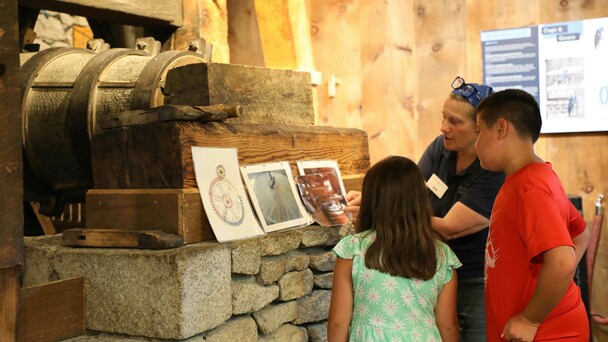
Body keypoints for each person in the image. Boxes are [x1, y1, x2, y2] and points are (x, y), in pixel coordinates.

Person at [345, 76, 504, 341]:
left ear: (479, 129)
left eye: (454, 122)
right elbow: (408, 195)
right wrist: (373, 196)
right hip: (433, 269)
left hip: (476, 278)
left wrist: (378, 207)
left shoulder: (493, 171)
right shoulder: (441, 147)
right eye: (444, 117)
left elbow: (450, 228)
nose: (444, 127)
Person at [474, 89, 590, 341]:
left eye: (478, 131)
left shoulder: (531, 187)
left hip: (548, 332)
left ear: (501, 129)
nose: (476, 143)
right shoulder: (534, 178)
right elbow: (580, 234)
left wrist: (531, 317)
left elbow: (563, 262)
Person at [328, 156, 461, 342]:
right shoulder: (443, 256)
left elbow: (337, 323)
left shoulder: (353, 249)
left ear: (371, 200)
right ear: (420, 200)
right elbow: (448, 325)